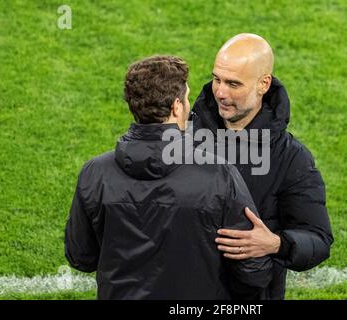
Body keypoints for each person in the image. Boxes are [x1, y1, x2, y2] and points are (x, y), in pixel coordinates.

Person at [64, 55, 272, 300]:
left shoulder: (95, 173)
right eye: (186, 98)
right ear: (176, 106)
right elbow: (254, 273)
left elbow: (81, 257)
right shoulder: (219, 175)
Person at [191, 34, 334, 299]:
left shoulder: (292, 158)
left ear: (263, 84)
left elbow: (318, 238)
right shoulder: (184, 137)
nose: (221, 92)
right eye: (217, 79)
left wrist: (277, 244)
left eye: (234, 84)